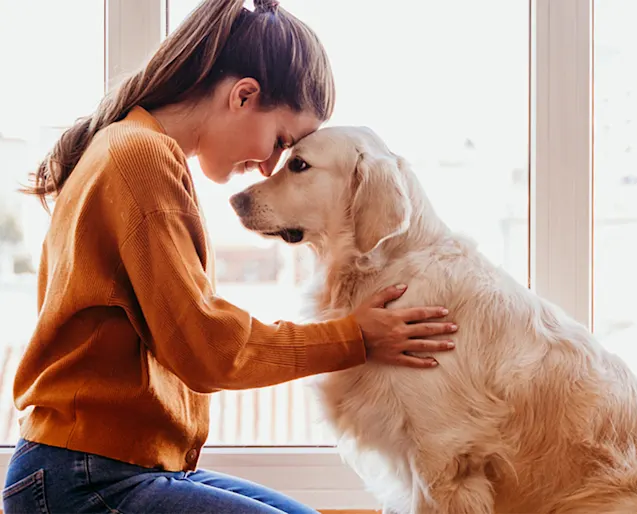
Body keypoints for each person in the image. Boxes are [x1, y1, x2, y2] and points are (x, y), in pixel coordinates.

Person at [3, 0, 458, 512]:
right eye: (281, 140)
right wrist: (353, 336)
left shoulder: (135, 149)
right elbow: (208, 350)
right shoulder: (139, 156)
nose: (268, 166)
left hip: (109, 468)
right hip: (82, 478)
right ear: (244, 95)